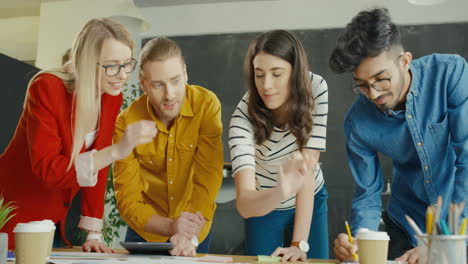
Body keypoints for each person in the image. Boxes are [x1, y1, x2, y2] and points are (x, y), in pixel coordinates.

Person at [0, 18, 157, 252]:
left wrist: (94, 233)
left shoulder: (111, 97)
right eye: (112, 66)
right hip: (15, 215)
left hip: (54, 222)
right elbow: (48, 169)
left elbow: (99, 167)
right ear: (87, 62)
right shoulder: (46, 87)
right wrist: (116, 151)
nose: (123, 75)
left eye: (127, 64)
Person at [329, 8, 468, 264]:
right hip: (405, 225)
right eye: (361, 84)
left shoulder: (450, 74)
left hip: (457, 226)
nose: (372, 93)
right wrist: (360, 241)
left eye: (381, 79)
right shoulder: (358, 122)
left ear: (404, 61)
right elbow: (368, 194)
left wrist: (440, 240)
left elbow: (466, 162)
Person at [112, 37, 224, 257]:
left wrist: (186, 231)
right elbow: (128, 199)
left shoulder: (207, 105)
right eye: (158, 85)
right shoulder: (127, 122)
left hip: (195, 225)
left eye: (175, 80)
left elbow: (208, 179)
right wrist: (172, 226)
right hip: (147, 230)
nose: (170, 94)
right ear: (143, 84)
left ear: (185, 73)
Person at [229, 30, 329, 262]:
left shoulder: (316, 88)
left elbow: (307, 168)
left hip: (310, 196)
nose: (267, 85)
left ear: (295, 73)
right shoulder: (242, 120)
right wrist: (280, 191)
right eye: (259, 74)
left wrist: (298, 245)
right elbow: (245, 203)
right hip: (264, 204)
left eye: (277, 73)